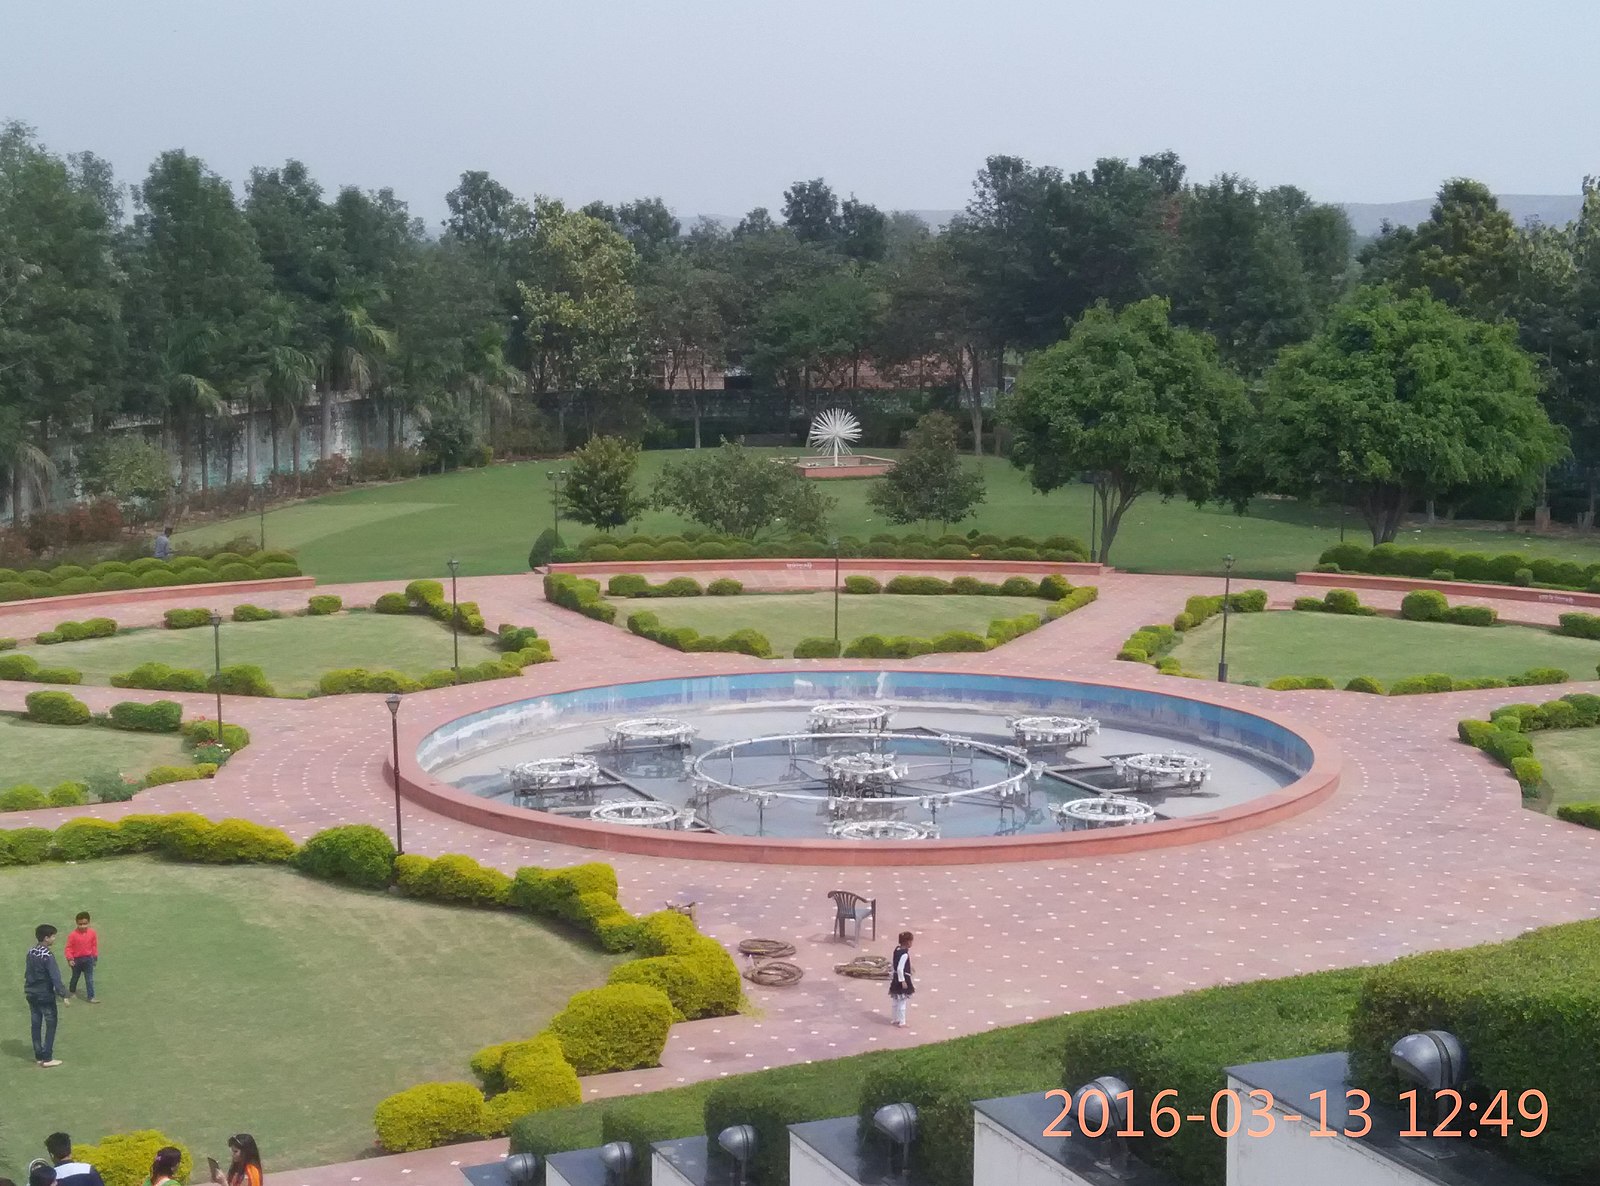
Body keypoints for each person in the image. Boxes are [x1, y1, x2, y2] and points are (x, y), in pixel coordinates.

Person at [24, 924, 69, 1067]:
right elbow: (55, 977)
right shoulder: (47, 955)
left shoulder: (31, 951)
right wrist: (64, 994)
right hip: (45, 994)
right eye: (53, 936)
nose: (54, 939)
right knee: (50, 1024)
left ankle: (38, 1055)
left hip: (31, 992)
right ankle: (47, 1058)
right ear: (46, 938)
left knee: (36, 1024)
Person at [64, 913, 99, 1003]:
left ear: (89, 922)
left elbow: (94, 945)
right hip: (76, 960)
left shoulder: (92, 933)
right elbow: (68, 948)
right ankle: (72, 991)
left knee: (89, 979)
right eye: (80, 924)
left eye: (85, 924)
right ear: (76, 923)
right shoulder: (73, 935)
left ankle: (91, 997)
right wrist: (70, 959)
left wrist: (95, 957)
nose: (83, 926)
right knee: (75, 976)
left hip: (88, 959)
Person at [888, 930, 915, 1027]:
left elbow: (895, 965)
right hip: (902, 978)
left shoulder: (897, 950)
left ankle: (894, 1018)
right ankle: (902, 1021)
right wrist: (902, 980)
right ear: (907, 942)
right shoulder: (905, 954)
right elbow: (900, 968)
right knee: (902, 1001)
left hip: (895, 978)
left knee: (895, 1000)